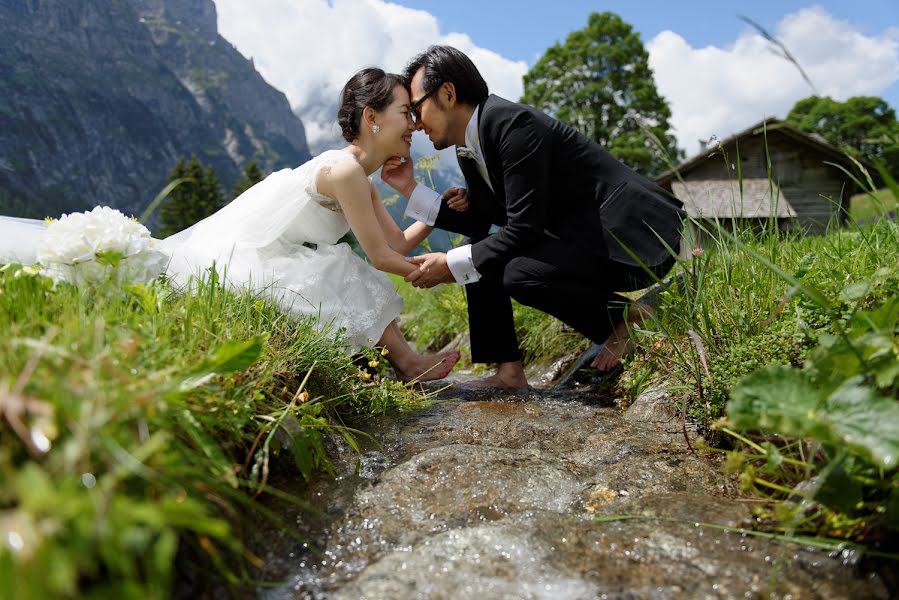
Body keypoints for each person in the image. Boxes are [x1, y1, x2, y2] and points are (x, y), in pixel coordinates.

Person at [0, 68, 466, 383]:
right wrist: (438, 270)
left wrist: (432, 210)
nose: (412, 123)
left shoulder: (358, 177)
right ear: (371, 118)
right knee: (340, 267)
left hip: (285, 256)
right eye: (405, 112)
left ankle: (406, 364)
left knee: (336, 265)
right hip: (254, 260)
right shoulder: (343, 171)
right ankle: (408, 365)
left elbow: (394, 244)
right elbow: (384, 259)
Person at [381, 46, 685, 389]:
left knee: (516, 272)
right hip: (587, 241)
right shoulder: (470, 143)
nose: (416, 124)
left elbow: (524, 228)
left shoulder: (512, 125)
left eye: (417, 109)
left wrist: (449, 265)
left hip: (635, 239)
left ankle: (629, 318)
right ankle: (509, 374)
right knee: (477, 249)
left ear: (448, 94)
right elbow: (482, 222)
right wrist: (409, 188)